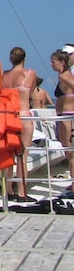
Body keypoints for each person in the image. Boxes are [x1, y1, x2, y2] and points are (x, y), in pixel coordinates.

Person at [2, 46, 38, 201]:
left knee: (8, 155)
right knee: (22, 156)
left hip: (8, 116)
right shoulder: (29, 73)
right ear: (24, 59)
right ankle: (22, 192)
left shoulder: (3, 75)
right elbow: (33, 91)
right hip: (23, 115)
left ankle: (8, 190)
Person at [50, 49, 74, 194]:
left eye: (54, 62)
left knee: (69, 152)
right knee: (69, 152)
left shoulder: (65, 76)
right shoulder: (64, 76)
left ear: (62, 63)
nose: (51, 64)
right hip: (65, 115)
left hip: (67, 116)